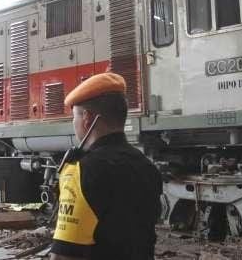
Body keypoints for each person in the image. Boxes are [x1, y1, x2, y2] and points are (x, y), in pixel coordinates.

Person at [50, 72, 163, 260]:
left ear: (86, 118)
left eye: (74, 117)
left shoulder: (81, 172)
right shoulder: (147, 167)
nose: (74, 124)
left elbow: (63, 256)